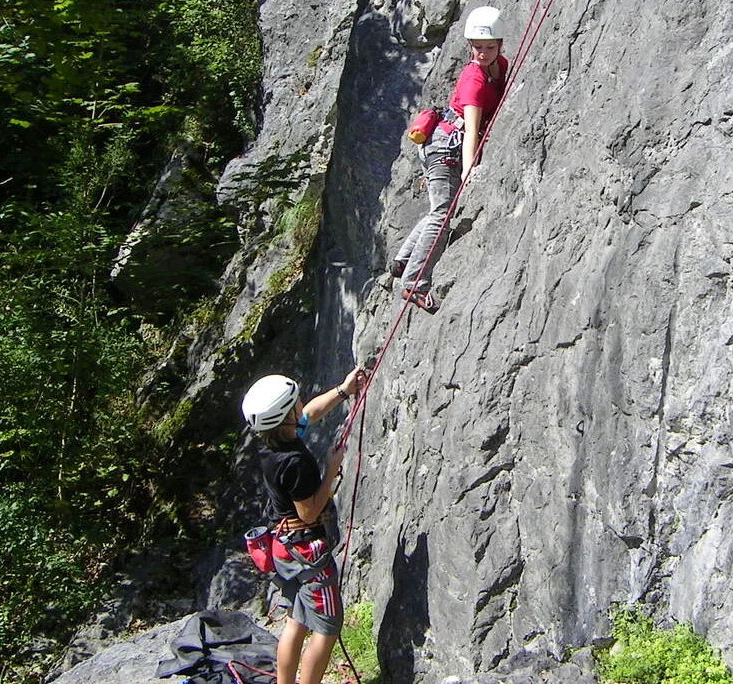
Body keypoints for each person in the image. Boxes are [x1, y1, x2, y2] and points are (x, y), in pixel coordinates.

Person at [240, 366, 367, 684]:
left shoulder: (272, 444)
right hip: (307, 553)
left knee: (297, 620)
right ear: (285, 417)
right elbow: (309, 512)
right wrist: (331, 469)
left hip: (284, 551)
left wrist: (343, 390)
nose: (302, 404)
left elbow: (310, 412)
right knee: (326, 627)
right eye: (295, 401)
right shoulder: (296, 463)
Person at [391, 5, 509, 314]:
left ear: (499, 45)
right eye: (477, 47)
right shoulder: (475, 80)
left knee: (440, 209)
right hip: (446, 146)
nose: (482, 53)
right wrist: (471, 171)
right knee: (443, 213)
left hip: (445, 143)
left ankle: (404, 258)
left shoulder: (499, 67)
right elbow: (471, 131)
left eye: (489, 47)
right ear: (469, 45)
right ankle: (414, 281)